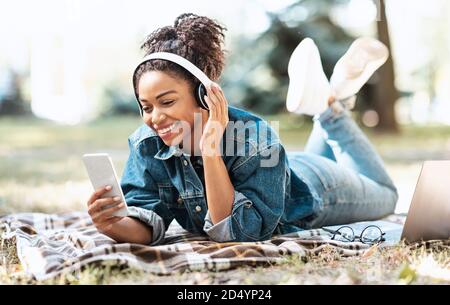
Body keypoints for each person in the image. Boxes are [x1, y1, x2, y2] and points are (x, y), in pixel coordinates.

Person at [86, 13, 398, 245]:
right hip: (283, 168)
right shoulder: (148, 144)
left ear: (204, 95)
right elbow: (146, 222)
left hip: (317, 189)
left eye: (166, 101)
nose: (155, 118)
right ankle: (327, 99)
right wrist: (112, 224)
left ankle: (334, 105)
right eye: (146, 106)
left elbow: (238, 233)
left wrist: (210, 151)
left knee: (387, 196)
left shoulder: (255, 138)